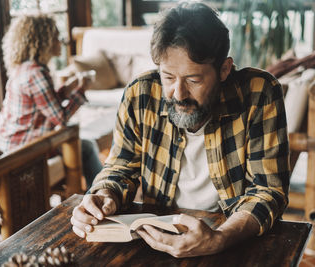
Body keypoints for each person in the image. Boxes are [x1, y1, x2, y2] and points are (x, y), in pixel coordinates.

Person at [71, 2, 290, 257]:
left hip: (234, 238)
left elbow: (268, 190)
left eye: (193, 80)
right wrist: (104, 195)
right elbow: (120, 167)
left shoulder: (259, 92)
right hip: (157, 241)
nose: (178, 93)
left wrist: (219, 239)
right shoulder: (140, 94)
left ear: (224, 70)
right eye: (168, 77)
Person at [0, 14, 102, 189]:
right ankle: (100, 195)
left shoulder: (24, 68)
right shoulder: (37, 74)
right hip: (23, 150)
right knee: (87, 147)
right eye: (57, 37)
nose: (61, 41)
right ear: (44, 41)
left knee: (86, 144)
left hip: (9, 145)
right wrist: (82, 89)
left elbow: (42, 104)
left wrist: (67, 89)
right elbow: (61, 118)